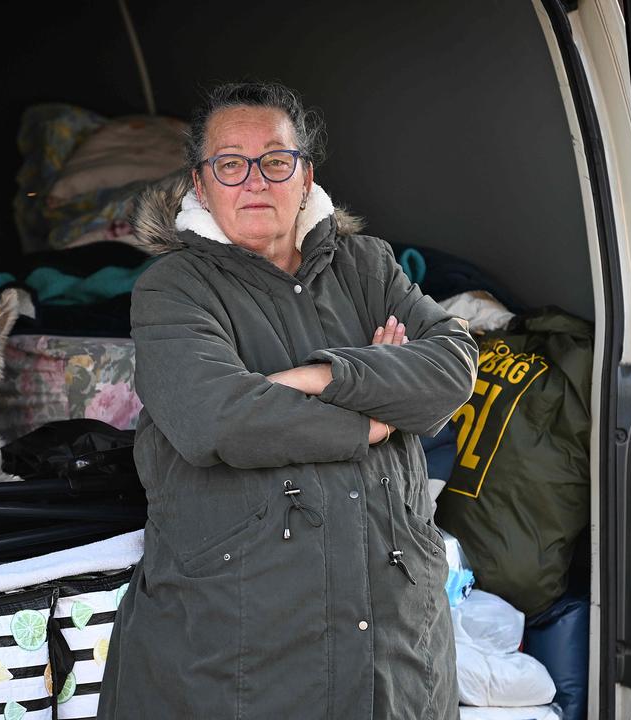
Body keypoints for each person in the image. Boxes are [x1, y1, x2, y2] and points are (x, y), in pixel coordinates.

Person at [98, 82, 478, 719]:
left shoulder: (367, 266)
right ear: (200, 181)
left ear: (306, 176)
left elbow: (452, 368)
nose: (255, 180)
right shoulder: (173, 289)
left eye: (277, 161)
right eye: (230, 163)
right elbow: (216, 419)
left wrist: (318, 378)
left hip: (398, 654)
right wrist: (375, 415)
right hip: (236, 660)